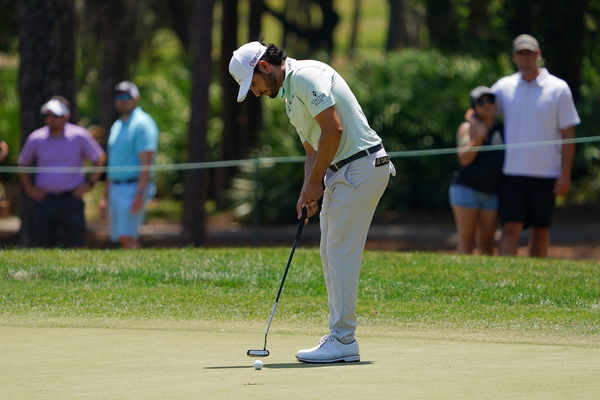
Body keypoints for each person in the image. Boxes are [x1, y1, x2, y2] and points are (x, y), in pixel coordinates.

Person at [229, 41, 395, 363]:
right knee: (330, 253)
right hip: (342, 171)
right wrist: (307, 190)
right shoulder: (290, 98)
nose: (256, 93)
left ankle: (344, 339)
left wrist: (317, 182)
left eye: (254, 85)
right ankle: (340, 336)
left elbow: (333, 131)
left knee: (339, 253)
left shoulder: (306, 76)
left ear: (264, 67)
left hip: (361, 165)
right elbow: (313, 150)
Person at [492, 34, 580, 258]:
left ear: (538, 55)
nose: (526, 58)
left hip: (546, 172)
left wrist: (565, 173)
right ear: (514, 57)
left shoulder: (559, 88)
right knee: (510, 228)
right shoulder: (504, 87)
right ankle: (502, 278)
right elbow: (483, 107)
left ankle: (535, 277)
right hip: (513, 172)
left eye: (530, 53)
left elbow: (568, 134)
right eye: (521, 54)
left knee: (540, 231)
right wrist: (473, 119)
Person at [18, 96, 106, 247]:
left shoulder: (79, 135)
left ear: (66, 116)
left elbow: (99, 158)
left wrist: (90, 184)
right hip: (45, 200)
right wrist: (29, 189)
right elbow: (22, 163)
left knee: (76, 244)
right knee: (42, 244)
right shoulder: (36, 138)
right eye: (48, 115)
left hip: (72, 199)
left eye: (56, 115)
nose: (51, 119)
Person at [99, 81, 159, 249]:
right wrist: (105, 196)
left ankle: (144, 272)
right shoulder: (117, 125)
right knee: (120, 237)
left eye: (127, 96)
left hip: (133, 187)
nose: (122, 100)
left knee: (127, 236)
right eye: (118, 96)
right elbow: (113, 164)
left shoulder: (142, 123)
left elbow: (146, 162)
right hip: (116, 189)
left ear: (136, 99)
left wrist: (140, 192)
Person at [450, 86, 504, 255]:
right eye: (481, 101)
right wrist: (479, 136)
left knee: (487, 242)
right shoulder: (467, 128)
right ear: (474, 107)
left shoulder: (502, 129)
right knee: (467, 241)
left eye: (490, 100)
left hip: (492, 191)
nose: (487, 104)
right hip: (466, 189)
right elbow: (464, 158)